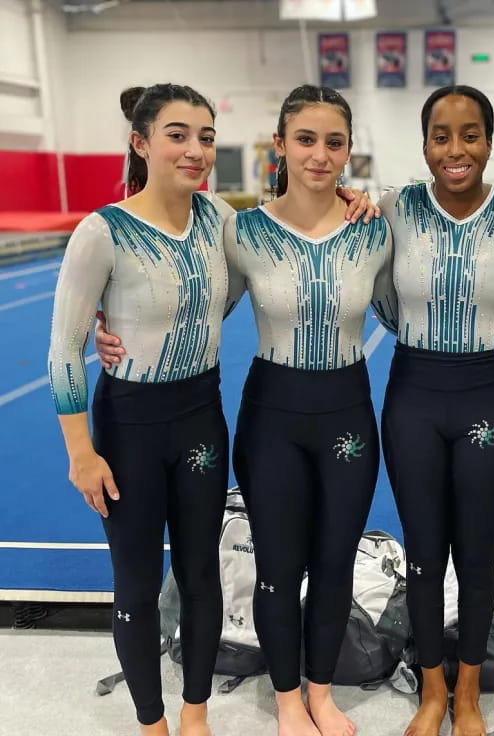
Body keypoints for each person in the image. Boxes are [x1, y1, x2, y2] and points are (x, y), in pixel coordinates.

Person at [94, 85, 383, 736]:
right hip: (273, 417)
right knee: (278, 567)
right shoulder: (241, 230)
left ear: (349, 150)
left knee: (335, 562)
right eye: (305, 139)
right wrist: (108, 326)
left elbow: (406, 309)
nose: (320, 154)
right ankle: (286, 699)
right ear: (278, 145)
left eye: (334, 141)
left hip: (348, 416)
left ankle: (320, 691)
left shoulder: (372, 228)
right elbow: (183, 297)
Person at [49, 83, 234, 736]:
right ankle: (151, 723)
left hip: (201, 417)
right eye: (178, 135)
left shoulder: (222, 222)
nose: (195, 150)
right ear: (141, 142)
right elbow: (64, 351)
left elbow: (249, 285)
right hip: (129, 427)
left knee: (200, 573)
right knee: (135, 584)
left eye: (206, 137)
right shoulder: (102, 232)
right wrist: (81, 453)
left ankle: (195, 716)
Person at [377, 85, 494, 736]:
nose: (455, 149)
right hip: (413, 395)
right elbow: (380, 299)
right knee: (422, 553)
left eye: (469, 134)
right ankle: (432, 692)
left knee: (474, 553)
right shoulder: (394, 208)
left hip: (484, 397)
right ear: (423, 144)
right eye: (441, 135)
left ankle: (468, 693)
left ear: (489, 142)